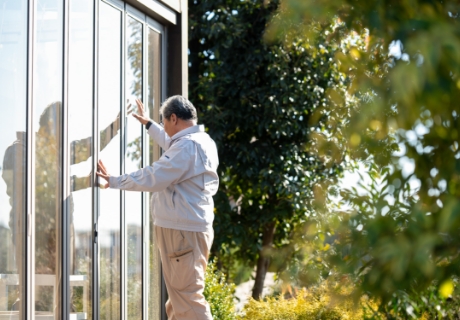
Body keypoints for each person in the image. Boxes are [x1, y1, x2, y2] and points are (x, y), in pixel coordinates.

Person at [96, 95, 219, 320]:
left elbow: (155, 176)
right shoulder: (201, 142)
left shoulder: (187, 147)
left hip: (182, 232)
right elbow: (172, 143)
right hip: (189, 230)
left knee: (187, 300)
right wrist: (150, 124)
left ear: (173, 118)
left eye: (163, 122)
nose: (163, 128)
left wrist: (114, 181)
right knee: (180, 302)